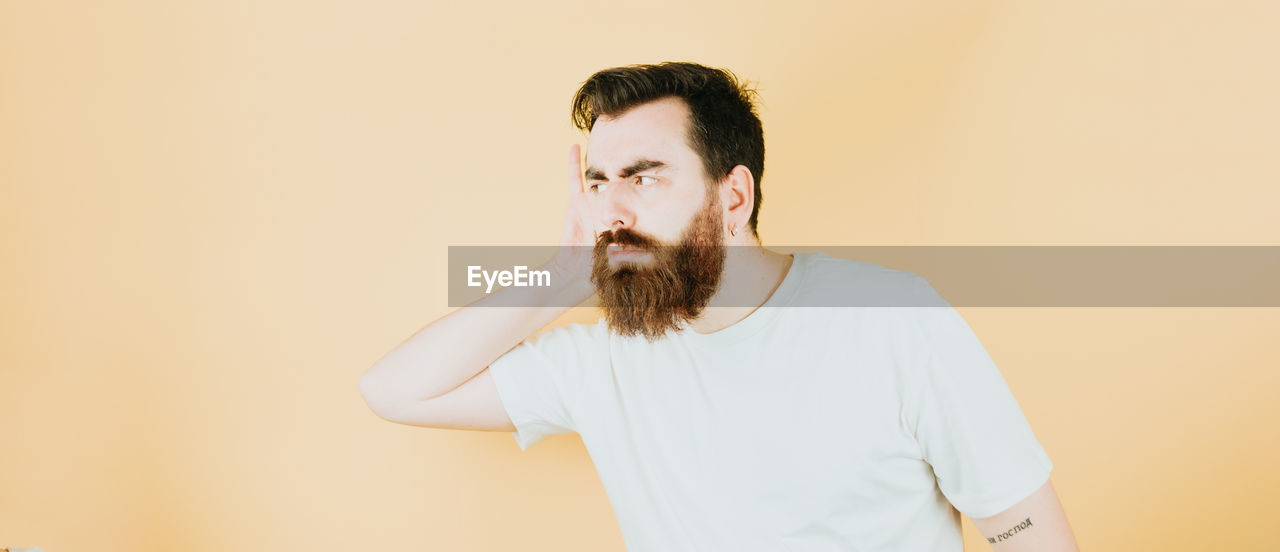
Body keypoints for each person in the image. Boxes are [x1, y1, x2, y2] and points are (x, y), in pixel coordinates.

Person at [358, 62, 1079, 552]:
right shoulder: (604, 360)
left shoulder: (889, 318)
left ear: (734, 197)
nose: (613, 206)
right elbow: (393, 390)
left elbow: (1023, 530)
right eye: (601, 181)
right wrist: (564, 274)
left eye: (644, 177)